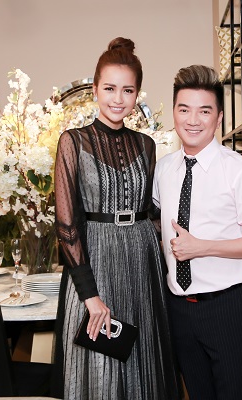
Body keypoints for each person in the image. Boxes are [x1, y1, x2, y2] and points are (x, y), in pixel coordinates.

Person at [52, 37, 179, 400]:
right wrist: (90, 295)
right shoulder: (73, 142)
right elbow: (66, 224)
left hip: (142, 263)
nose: (118, 99)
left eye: (128, 90)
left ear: (137, 94)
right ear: (94, 89)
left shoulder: (146, 145)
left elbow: (153, 212)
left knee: (142, 362)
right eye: (109, 88)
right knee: (100, 360)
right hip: (95, 260)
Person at [153, 65, 242, 400]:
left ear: (218, 118)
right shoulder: (163, 169)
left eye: (204, 111)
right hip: (178, 307)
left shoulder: (239, 171)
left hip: (226, 305)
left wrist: (202, 247)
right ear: (175, 113)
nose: (193, 120)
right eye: (184, 110)